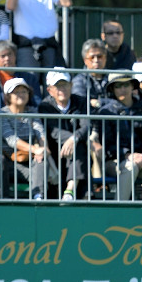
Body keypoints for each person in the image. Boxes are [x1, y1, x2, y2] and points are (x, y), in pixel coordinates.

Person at [93, 72, 142, 201]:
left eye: (126, 84)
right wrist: (127, 155)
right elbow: (108, 143)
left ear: (132, 86)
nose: (122, 89)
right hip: (115, 161)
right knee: (130, 167)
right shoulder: (105, 112)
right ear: (112, 89)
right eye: (118, 86)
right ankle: (119, 212)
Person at [38, 70, 92, 201]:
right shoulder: (44, 106)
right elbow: (53, 130)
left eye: (65, 85)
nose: (62, 89)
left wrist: (74, 138)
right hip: (54, 152)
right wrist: (72, 138)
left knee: (79, 146)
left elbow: (86, 126)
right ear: (50, 90)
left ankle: (70, 190)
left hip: (78, 150)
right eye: (58, 86)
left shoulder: (81, 102)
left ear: (71, 85)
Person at [0, 78, 49, 201]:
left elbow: (40, 133)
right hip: (10, 162)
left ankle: (38, 197)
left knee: (42, 161)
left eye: (24, 91)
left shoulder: (32, 112)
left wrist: (43, 150)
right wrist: (35, 149)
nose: (21, 95)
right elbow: (11, 139)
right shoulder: (2, 114)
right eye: (16, 92)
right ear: (8, 96)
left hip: (30, 159)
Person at [0, 40, 41, 113]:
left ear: (15, 56)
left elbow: (36, 104)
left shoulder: (30, 78)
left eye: (10, 54)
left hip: (26, 120)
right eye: (3, 56)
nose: (7, 58)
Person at [71, 39, 109, 112]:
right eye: (92, 57)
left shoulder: (112, 78)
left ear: (105, 58)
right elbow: (81, 102)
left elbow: (119, 102)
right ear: (85, 60)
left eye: (100, 56)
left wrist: (98, 102)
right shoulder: (78, 81)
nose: (96, 60)